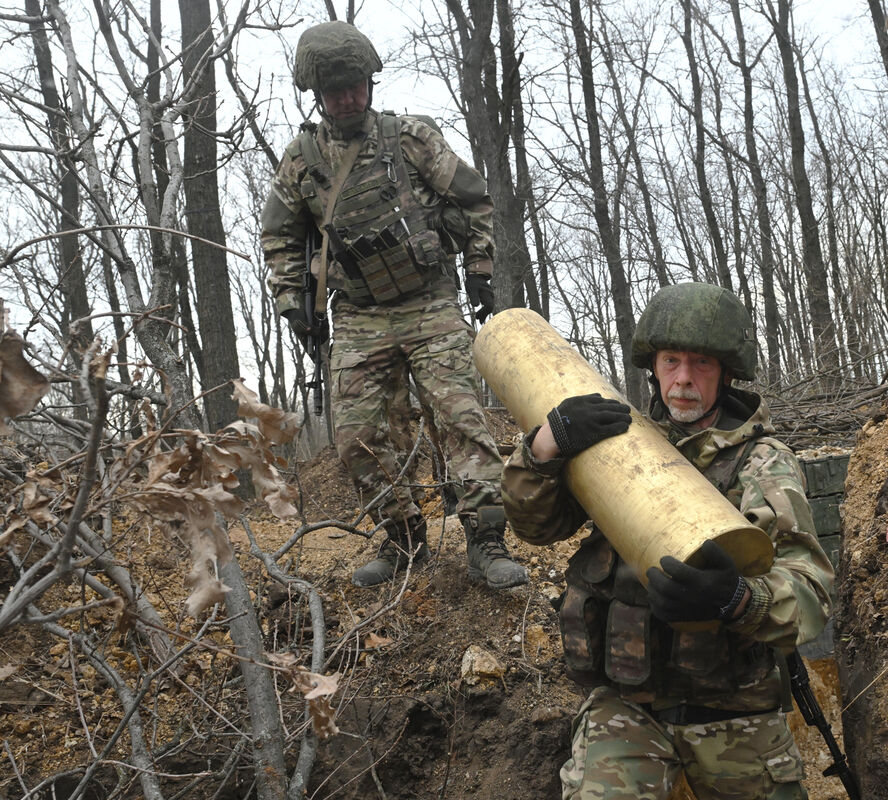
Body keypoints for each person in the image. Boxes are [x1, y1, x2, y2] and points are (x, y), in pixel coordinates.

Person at [501, 282, 835, 799]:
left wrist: (737, 599)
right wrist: (545, 448)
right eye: (671, 360)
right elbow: (536, 529)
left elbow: (811, 595)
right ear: (652, 368)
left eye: (700, 363)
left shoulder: (762, 462)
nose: (682, 379)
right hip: (627, 707)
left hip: (733, 711)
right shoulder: (617, 442)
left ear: (725, 373)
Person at [261, 20, 527, 590]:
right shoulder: (302, 160)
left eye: (355, 85)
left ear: (370, 81)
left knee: (461, 420)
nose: (347, 98)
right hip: (357, 314)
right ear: (317, 95)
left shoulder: (410, 137)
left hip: (429, 301)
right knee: (356, 436)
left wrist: (480, 271)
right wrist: (294, 307)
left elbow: (475, 200)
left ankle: (485, 539)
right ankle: (403, 538)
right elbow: (280, 239)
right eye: (335, 92)